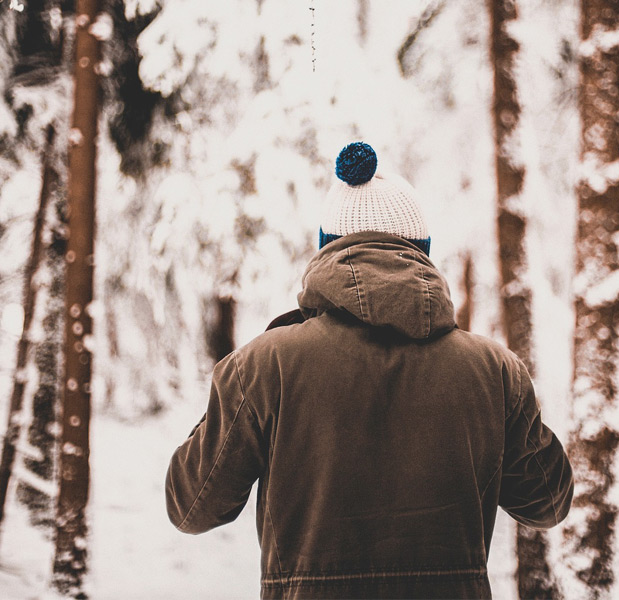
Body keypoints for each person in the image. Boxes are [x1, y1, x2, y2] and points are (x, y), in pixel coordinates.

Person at [165, 142, 574, 599]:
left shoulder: (264, 365)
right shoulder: (494, 370)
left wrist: (241, 386)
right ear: (421, 252)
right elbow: (548, 502)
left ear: (326, 249)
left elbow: (191, 507)